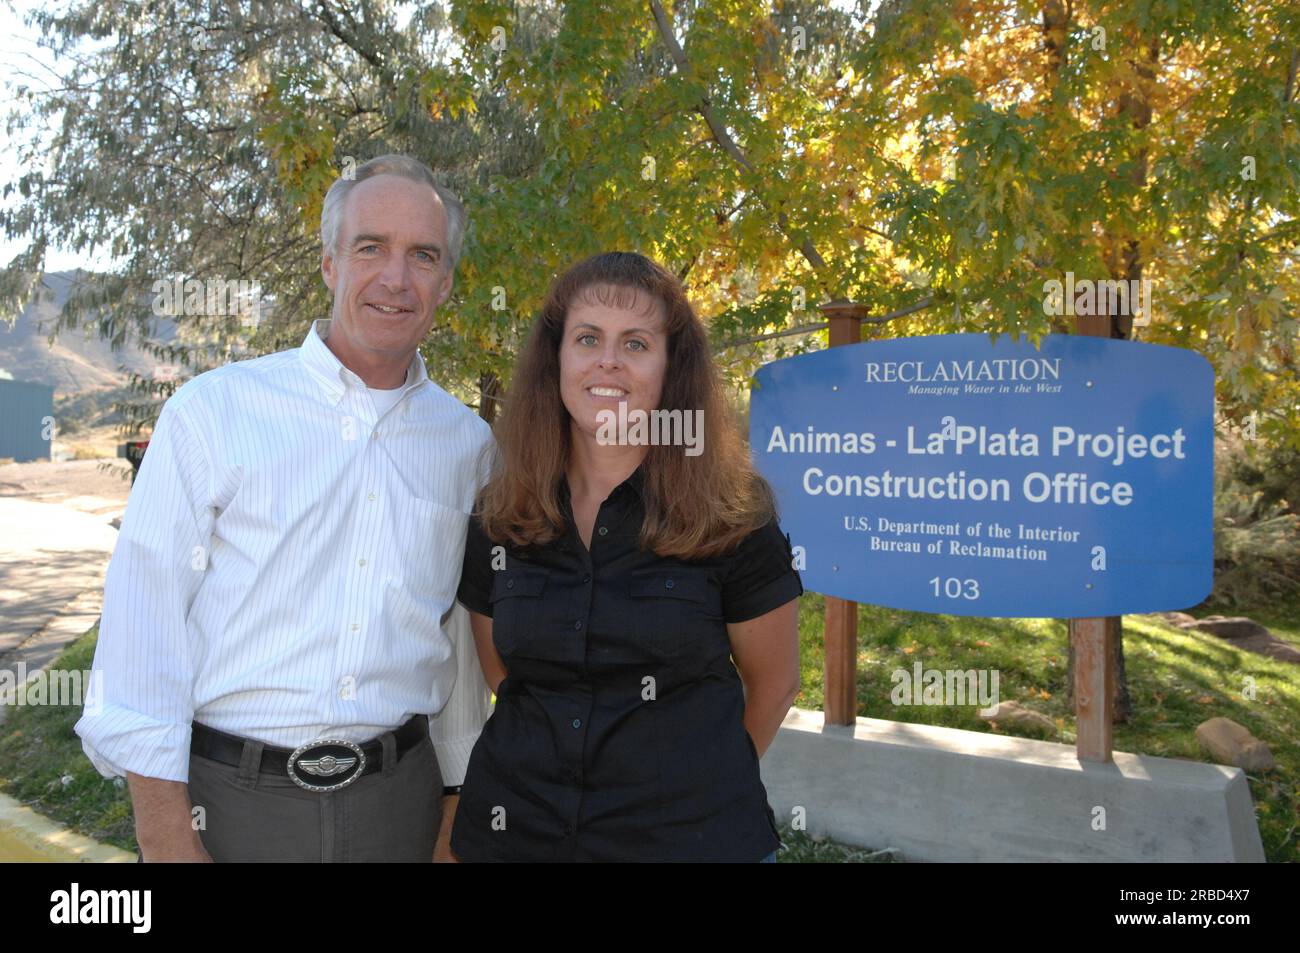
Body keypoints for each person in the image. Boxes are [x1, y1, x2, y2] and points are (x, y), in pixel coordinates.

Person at [74, 155, 493, 862]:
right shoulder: (213, 413)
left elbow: (452, 641)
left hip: (400, 806)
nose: (396, 278)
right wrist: (168, 835)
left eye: (422, 255)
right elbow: (143, 628)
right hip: (230, 809)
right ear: (330, 263)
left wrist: (453, 811)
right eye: (370, 248)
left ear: (445, 282)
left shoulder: (467, 446)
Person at [451, 251, 802, 862]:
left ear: (670, 370)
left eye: (636, 343)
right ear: (556, 360)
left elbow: (774, 684)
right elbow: (505, 679)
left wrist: (691, 788)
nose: (608, 360)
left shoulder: (731, 516)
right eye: (588, 338)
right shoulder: (501, 516)